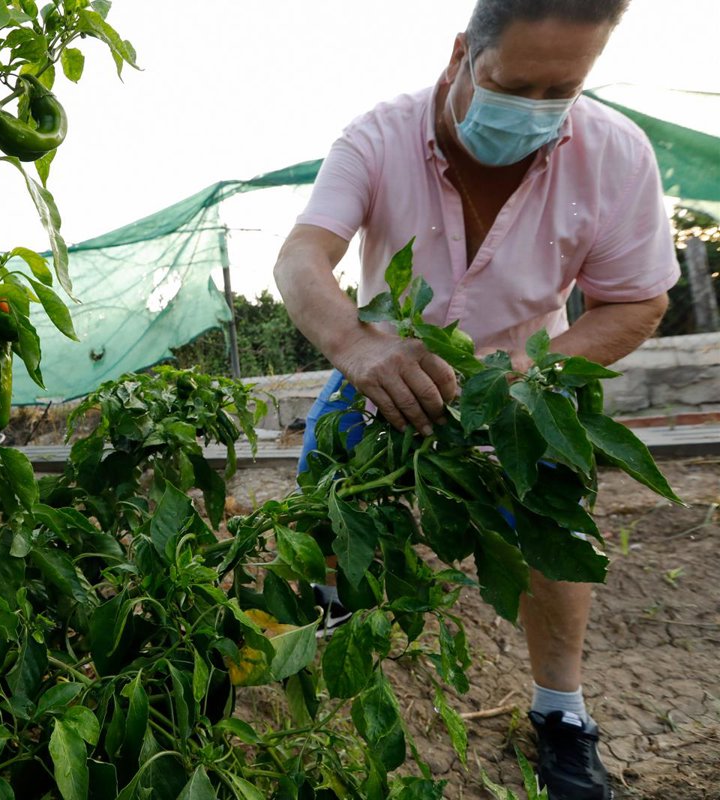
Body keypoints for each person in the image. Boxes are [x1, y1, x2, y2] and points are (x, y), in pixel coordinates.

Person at [273, 1, 679, 798]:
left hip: (522, 386)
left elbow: (638, 302)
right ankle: (327, 616)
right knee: (327, 499)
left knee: (554, 531)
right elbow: (301, 257)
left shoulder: (615, 154)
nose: (534, 109)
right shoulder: (380, 136)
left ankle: (561, 712)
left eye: (560, 90)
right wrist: (358, 346)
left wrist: (522, 373)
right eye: (513, 85)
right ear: (461, 53)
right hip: (387, 370)